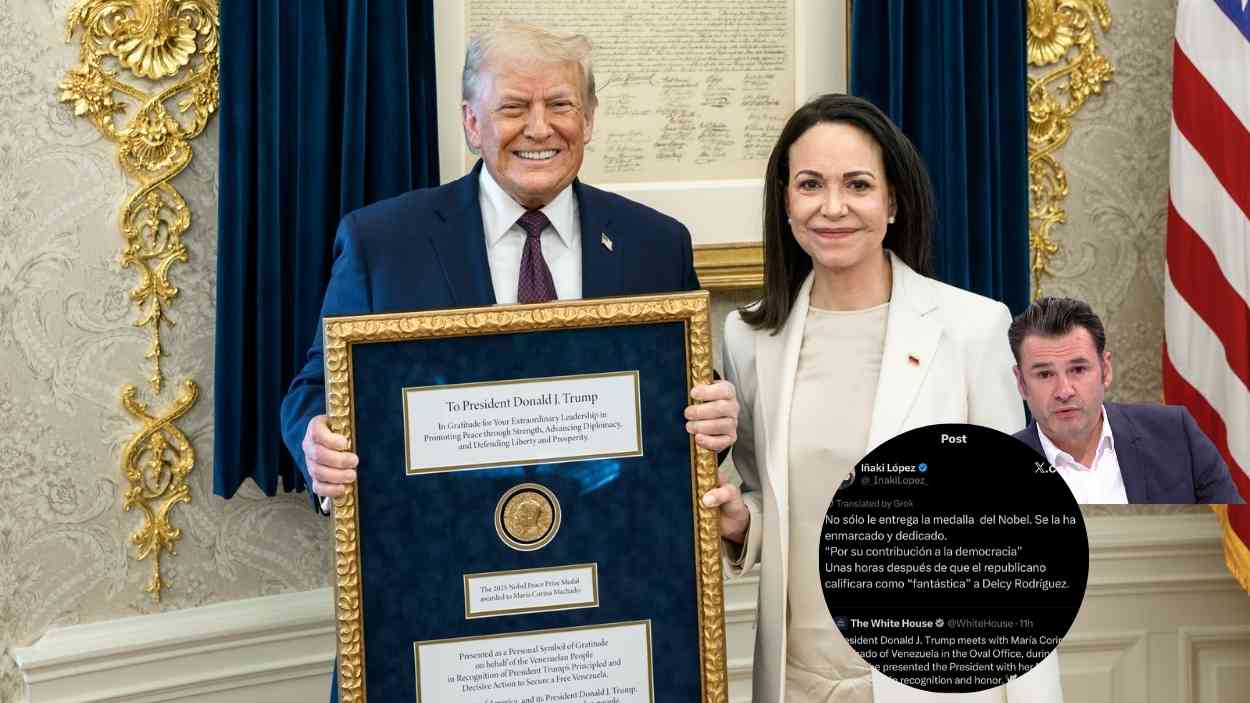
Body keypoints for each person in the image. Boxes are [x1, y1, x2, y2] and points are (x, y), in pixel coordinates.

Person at [279, 24, 740, 701]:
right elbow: (314, 389)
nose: (540, 128)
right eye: (513, 107)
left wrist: (713, 421)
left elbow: (674, 411)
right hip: (434, 595)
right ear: (471, 122)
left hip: (606, 602)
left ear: (587, 119)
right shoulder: (384, 242)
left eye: (559, 105)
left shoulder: (654, 244)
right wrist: (317, 439)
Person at [701, 94, 1062, 702]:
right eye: (810, 184)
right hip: (796, 682)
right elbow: (774, 495)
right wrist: (742, 523)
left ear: (892, 201)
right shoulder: (749, 337)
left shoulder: (971, 328)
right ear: (785, 200)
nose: (833, 207)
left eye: (858, 185)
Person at [1009, 296, 1243, 504]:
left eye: (1078, 369)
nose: (1064, 391)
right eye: (1045, 374)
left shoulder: (1176, 435)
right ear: (1021, 383)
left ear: (1106, 370)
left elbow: (1234, 540)